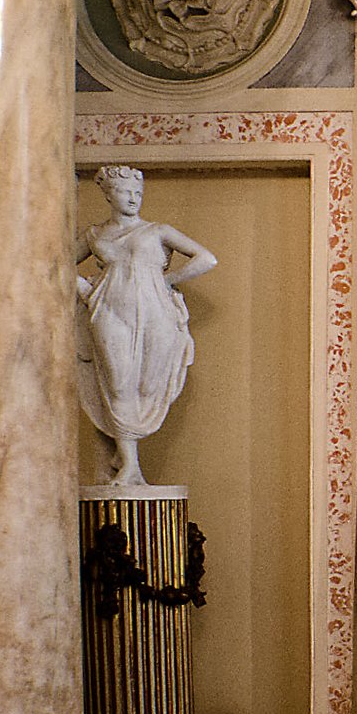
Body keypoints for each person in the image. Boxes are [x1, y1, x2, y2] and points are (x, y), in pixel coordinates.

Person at [76, 165, 218, 486]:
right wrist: (87, 292)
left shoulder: (157, 230)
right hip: (109, 312)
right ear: (109, 195)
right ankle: (129, 463)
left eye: (138, 193)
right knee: (118, 382)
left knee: (148, 384)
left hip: (157, 313)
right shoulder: (95, 235)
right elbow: (55, 261)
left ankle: (127, 454)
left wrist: (167, 281)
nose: (133, 199)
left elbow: (206, 259)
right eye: (126, 192)